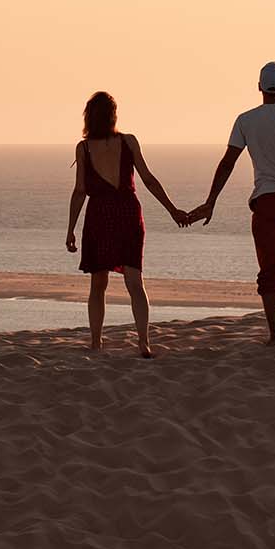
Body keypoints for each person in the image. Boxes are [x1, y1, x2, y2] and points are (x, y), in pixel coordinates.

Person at [185, 61, 275, 345]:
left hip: (269, 200)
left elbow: (228, 162)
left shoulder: (245, 120)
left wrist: (211, 200)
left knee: (270, 265)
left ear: (259, 88)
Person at [65, 91, 190, 357]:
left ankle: (96, 342)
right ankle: (143, 342)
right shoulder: (128, 141)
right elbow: (149, 179)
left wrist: (70, 230)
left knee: (98, 283)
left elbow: (80, 191)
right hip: (128, 213)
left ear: (89, 116)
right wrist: (172, 210)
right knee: (135, 281)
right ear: (113, 116)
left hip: (100, 216)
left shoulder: (84, 148)